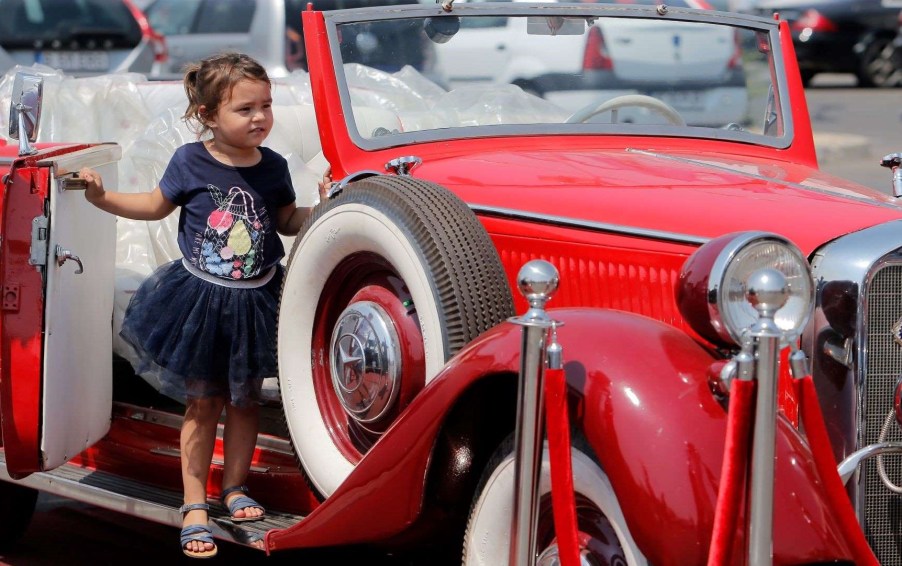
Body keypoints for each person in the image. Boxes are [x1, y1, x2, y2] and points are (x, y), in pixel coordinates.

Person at [80, 52, 331, 559]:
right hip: (200, 301)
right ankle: (193, 502)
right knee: (204, 403)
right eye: (245, 109)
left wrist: (323, 206)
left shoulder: (274, 166)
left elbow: (283, 219)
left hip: (258, 298)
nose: (259, 117)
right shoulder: (189, 161)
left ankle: (234, 487)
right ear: (209, 115)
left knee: (245, 401)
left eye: (266, 106)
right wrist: (102, 198)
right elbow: (153, 206)